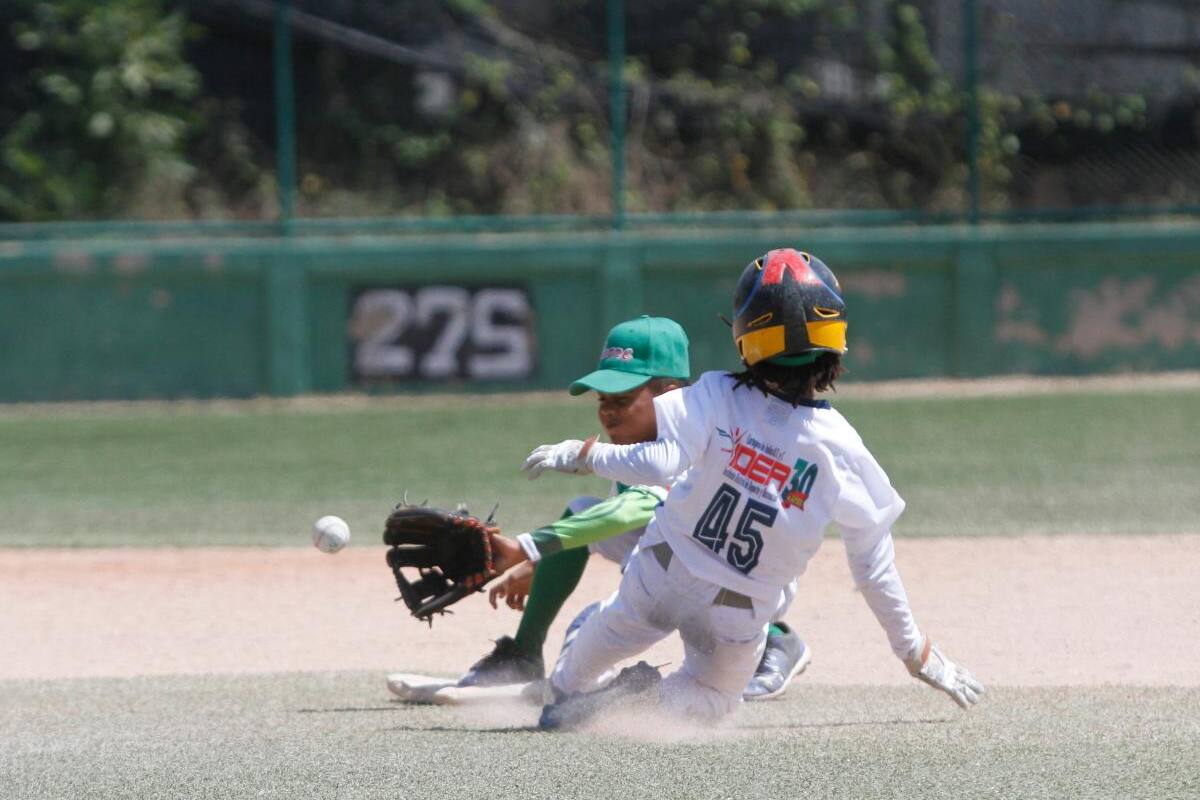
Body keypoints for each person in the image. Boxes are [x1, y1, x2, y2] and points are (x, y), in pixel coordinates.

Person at [519, 248, 984, 729]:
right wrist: (916, 652)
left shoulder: (715, 392)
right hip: (737, 615)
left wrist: (583, 454)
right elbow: (872, 567)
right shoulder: (843, 449)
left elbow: (659, 462)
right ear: (835, 338)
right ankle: (637, 702)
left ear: (746, 336)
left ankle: (580, 679)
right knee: (711, 700)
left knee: (564, 697)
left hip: (660, 573)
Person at [455, 314, 811, 702]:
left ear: (670, 394)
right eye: (603, 400)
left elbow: (635, 507)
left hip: (749, 580)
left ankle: (778, 639)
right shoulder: (633, 448)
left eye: (623, 399)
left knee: (699, 628)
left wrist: (530, 546)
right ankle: (524, 653)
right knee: (582, 510)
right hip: (686, 557)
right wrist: (542, 565)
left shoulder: (693, 439)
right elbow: (614, 514)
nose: (609, 412)